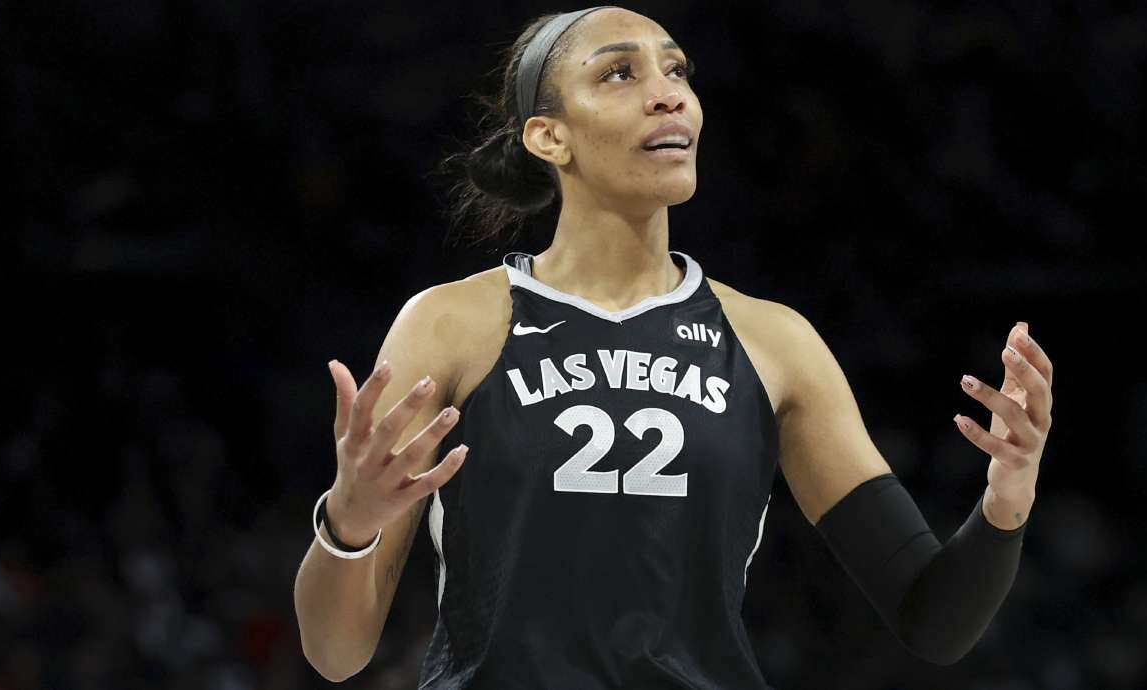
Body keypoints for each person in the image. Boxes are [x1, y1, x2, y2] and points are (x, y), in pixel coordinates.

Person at [292, 6, 1056, 688]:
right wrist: (348, 525)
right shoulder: (451, 323)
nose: (669, 93)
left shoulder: (775, 342)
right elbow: (335, 653)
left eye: (678, 71)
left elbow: (933, 619)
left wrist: (1007, 498)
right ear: (550, 136)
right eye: (619, 73)